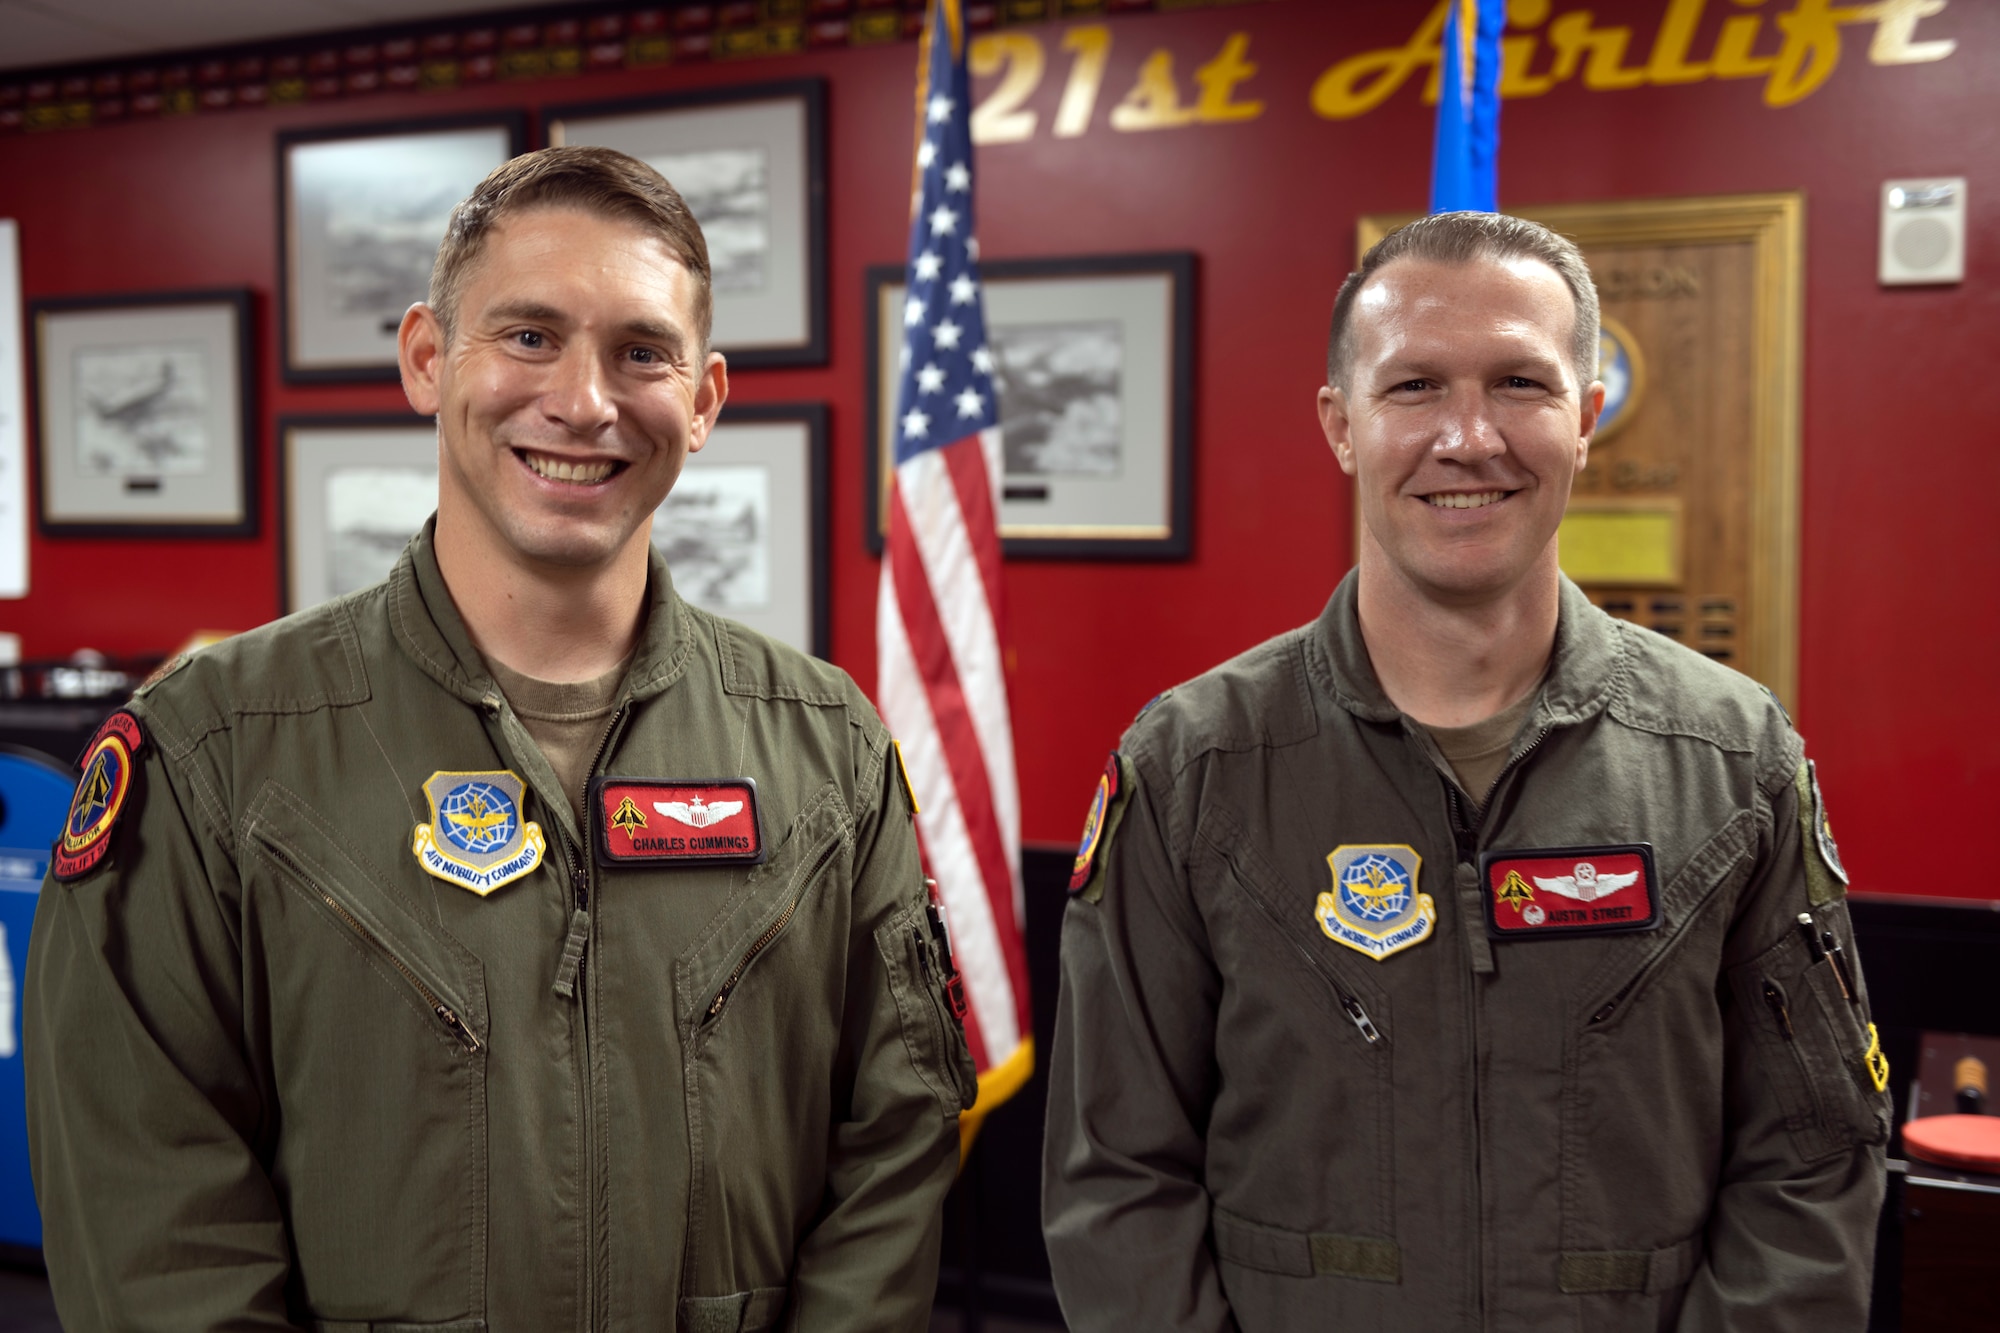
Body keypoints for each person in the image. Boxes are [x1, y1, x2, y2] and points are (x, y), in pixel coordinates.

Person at [27, 146, 974, 1332]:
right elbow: (154, 1224)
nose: (584, 400)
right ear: (429, 359)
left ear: (705, 400)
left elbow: (890, 1152)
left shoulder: (826, 750)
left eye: (640, 351)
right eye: (528, 336)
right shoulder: (213, 754)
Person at [1042, 212, 1888, 1330]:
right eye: (1413, 389)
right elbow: (1117, 1182)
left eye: (1519, 385)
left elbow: (1811, 1165)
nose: (1468, 436)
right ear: (1340, 427)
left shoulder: (1731, 759)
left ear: (1585, 419)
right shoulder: (1194, 765)